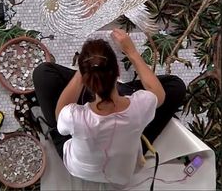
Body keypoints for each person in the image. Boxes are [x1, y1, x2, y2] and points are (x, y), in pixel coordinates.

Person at [33, 29, 186, 189]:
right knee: (176, 87)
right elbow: (159, 94)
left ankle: (107, 85)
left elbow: (60, 114)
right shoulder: (141, 105)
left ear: (86, 80)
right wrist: (131, 52)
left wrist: (83, 72)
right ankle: (118, 88)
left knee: (42, 73)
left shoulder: (72, 116)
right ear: (118, 71)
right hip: (124, 172)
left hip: (79, 168)